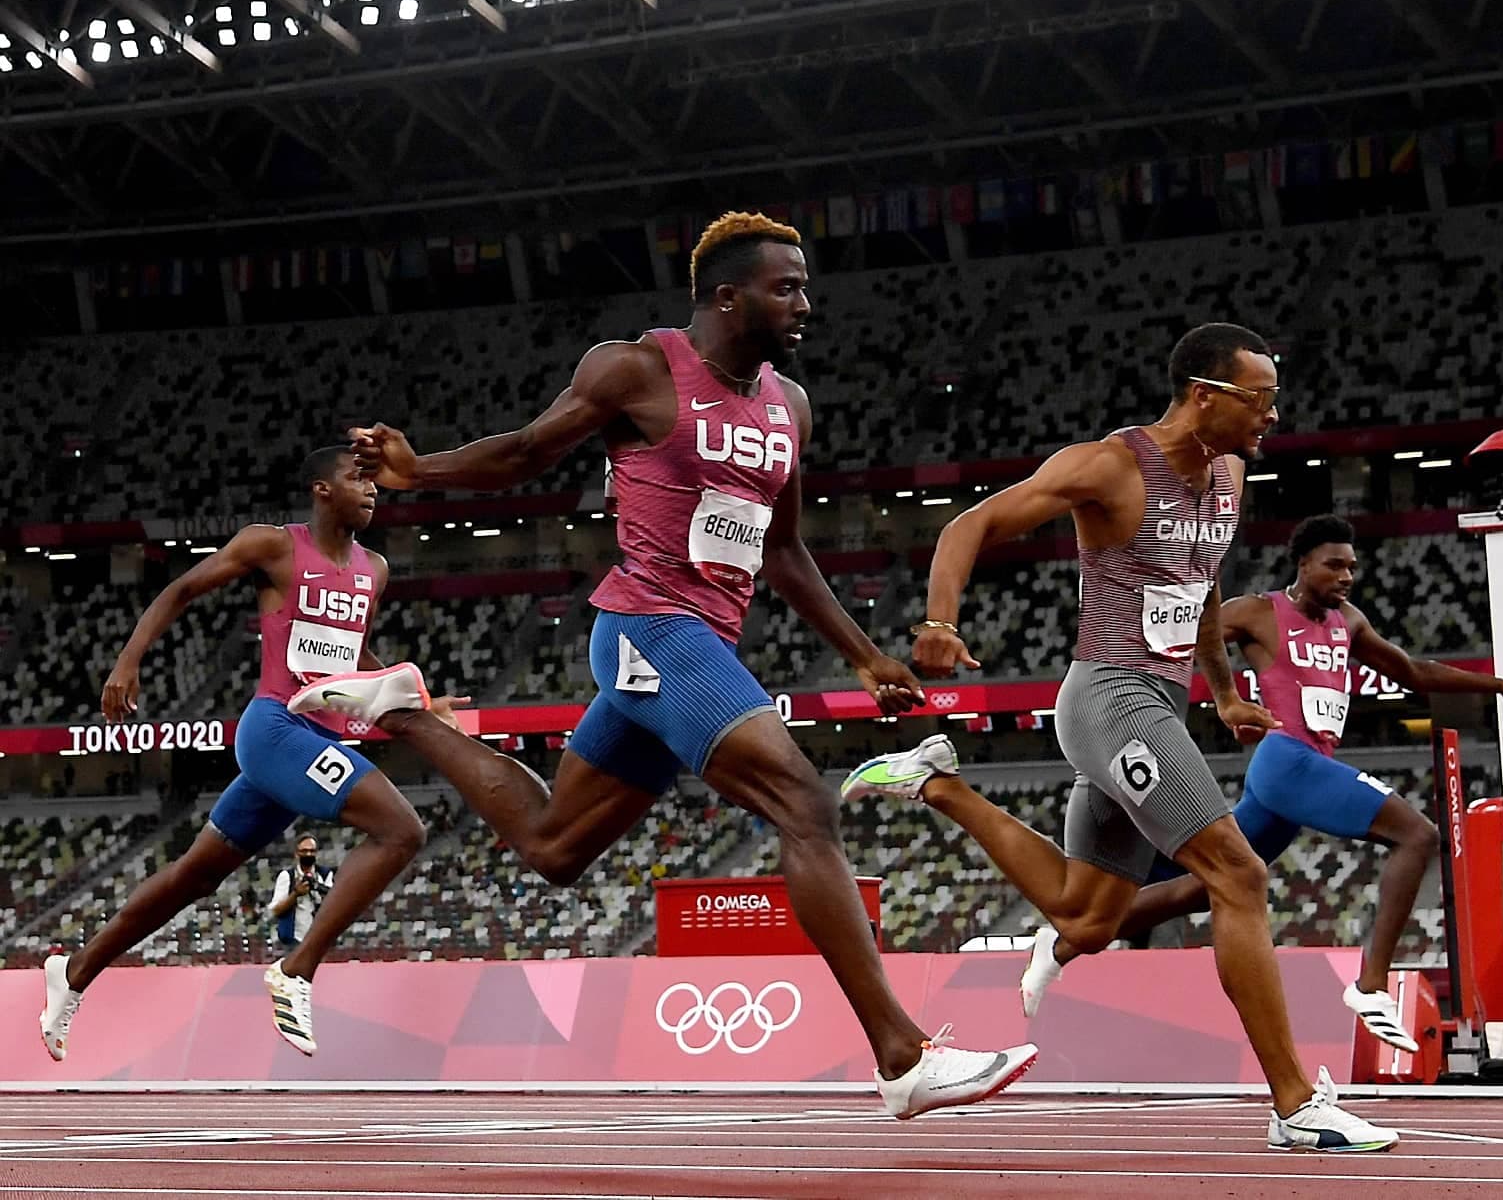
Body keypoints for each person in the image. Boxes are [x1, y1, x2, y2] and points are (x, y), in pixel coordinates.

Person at [288, 212, 1035, 1120]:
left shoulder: (786, 404)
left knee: (555, 845)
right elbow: (529, 450)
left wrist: (865, 653)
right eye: (785, 286)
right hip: (648, 624)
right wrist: (418, 470)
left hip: (699, 645)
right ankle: (901, 1053)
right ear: (728, 295)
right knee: (805, 799)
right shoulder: (638, 369)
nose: (806, 302)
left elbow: (785, 548)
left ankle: (404, 712)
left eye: (804, 285)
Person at [842, 322, 1397, 1153]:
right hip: (1108, 697)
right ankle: (1292, 1104)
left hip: (1160, 708)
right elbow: (969, 526)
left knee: (1087, 916)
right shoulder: (1111, 465)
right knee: (1238, 871)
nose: (1272, 416)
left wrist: (1221, 692)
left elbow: (1200, 582)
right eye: (1260, 398)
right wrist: (937, 621)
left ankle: (936, 782)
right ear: (1205, 394)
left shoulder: (1231, 474)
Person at [1017, 513, 1503, 1050]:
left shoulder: (1350, 623)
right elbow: (1188, 628)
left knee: (1203, 888)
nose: (1346, 576)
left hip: (1294, 781)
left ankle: (1059, 944)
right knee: (1418, 835)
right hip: (1285, 760)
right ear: (1303, 562)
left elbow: (1413, 670)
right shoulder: (1258, 612)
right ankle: (1369, 987)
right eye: (1334, 565)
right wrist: (1207, 692)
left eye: (1353, 567)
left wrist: (1502, 686)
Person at [40, 448, 440, 1062]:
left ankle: (71, 975)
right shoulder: (274, 546)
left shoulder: (374, 569)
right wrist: (128, 661)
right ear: (321, 489)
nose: (372, 489)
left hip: (319, 740)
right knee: (400, 829)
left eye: (374, 481)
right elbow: (183, 588)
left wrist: (411, 695)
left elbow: (348, 658)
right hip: (276, 729)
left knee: (194, 878)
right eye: (357, 478)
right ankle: (296, 970)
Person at [269, 835, 334, 951]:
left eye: (312, 851)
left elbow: (333, 903)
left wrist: (319, 888)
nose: (308, 854)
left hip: (320, 938)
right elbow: (276, 910)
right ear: (296, 853)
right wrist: (295, 894)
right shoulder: (287, 876)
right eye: (304, 851)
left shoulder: (325, 874)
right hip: (294, 940)